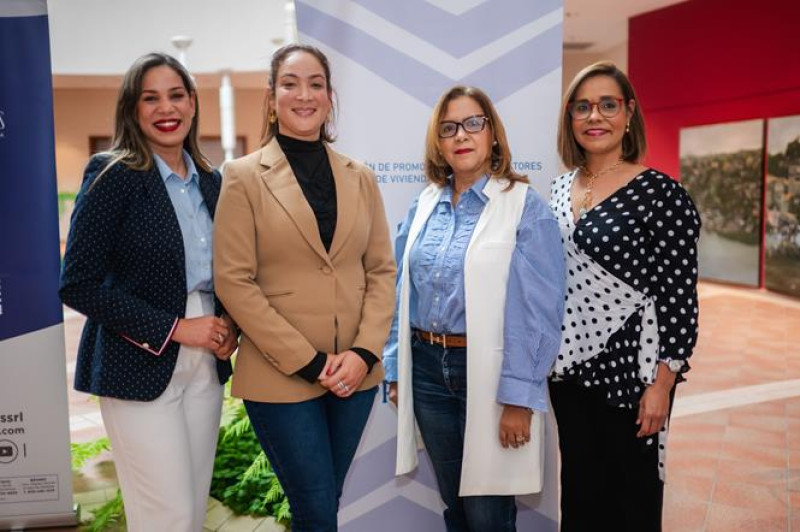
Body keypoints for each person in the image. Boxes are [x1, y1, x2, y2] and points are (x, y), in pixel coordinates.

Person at [212, 44, 396, 532]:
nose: (304, 94)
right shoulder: (242, 177)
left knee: (324, 502)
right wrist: (311, 362)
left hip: (355, 376)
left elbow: (380, 271)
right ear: (272, 98)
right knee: (316, 505)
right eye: (290, 83)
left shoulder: (361, 178)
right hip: (282, 375)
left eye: (316, 84)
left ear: (330, 97)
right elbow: (234, 280)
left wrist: (364, 352)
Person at [59, 52, 236, 532]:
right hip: (136, 362)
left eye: (176, 95)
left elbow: (230, 273)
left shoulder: (212, 181)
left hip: (207, 362)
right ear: (132, 109)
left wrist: (230, 329)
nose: (166, 108)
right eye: (150, 98)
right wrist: (177, 328)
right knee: (167, 516)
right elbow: (76, 283)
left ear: (193, 103)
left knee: (192, 510)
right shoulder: (112, 174)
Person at [384, 85, 566, 532]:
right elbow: (400, 289)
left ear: (493, 135)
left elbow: (538, 310)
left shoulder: (523, 206)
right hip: (427, 370)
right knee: (456, 505)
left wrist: (519, 398)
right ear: (439, 142)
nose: (461, 135)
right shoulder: (424, 204)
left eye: (472, 123)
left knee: (488, 514)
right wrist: (395, 368)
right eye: (449, 128)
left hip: (490, 375)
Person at [548, 61, 701, 531]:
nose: (595, 116)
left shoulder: (661, 194)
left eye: (608, 105)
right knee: (579, 495)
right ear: (570, 118)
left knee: (631, 501)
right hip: (569, 373)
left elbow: (679, 301)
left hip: (633, 377)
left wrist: (662, 384)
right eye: (583, 106)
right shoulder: (557, 187)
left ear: (629, 113)